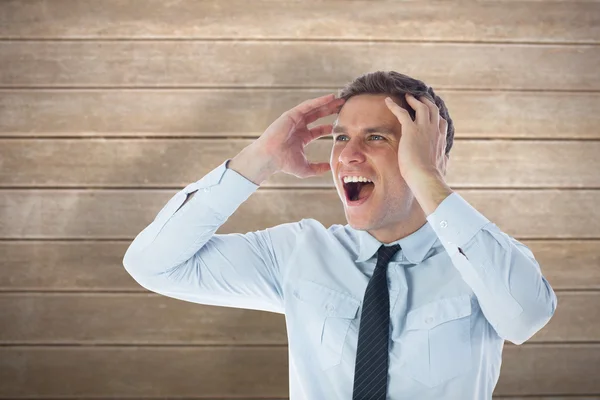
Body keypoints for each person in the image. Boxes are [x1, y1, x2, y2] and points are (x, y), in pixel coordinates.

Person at [123, 70, 557, 399]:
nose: (348, 155)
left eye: (377, 138)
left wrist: (426, 175)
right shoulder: (296, 252)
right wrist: (258, 159)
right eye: (340, 137)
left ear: (427, 153)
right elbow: (154, 264)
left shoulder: (484, 261)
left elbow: (526, 316)